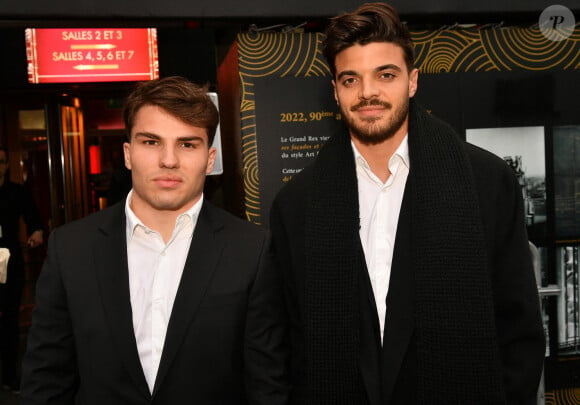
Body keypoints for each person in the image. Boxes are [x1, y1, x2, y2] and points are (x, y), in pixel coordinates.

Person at [269, 3, 545, 404]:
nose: (368, 93)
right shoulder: (298, 204)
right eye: (351, 79)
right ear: (335, 91)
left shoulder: (485, 181)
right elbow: (288, 341)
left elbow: (519, 330)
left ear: (412, 81)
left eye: (386, 75)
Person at [21, 76, 288, 404]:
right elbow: (46, 381)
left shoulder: (251, 249)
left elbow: (268, 385)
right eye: (151, 142)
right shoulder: (71, 248)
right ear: (128, 153)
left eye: (187, 144)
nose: (169, 160)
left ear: (209, 158)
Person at [0, 147, 44, 394]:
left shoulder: (16, 191)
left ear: (6, 165)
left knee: (10, 320)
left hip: (9, 261)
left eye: (0, 162)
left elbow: (33, 218)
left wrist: (36, 232)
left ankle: (9, 376)